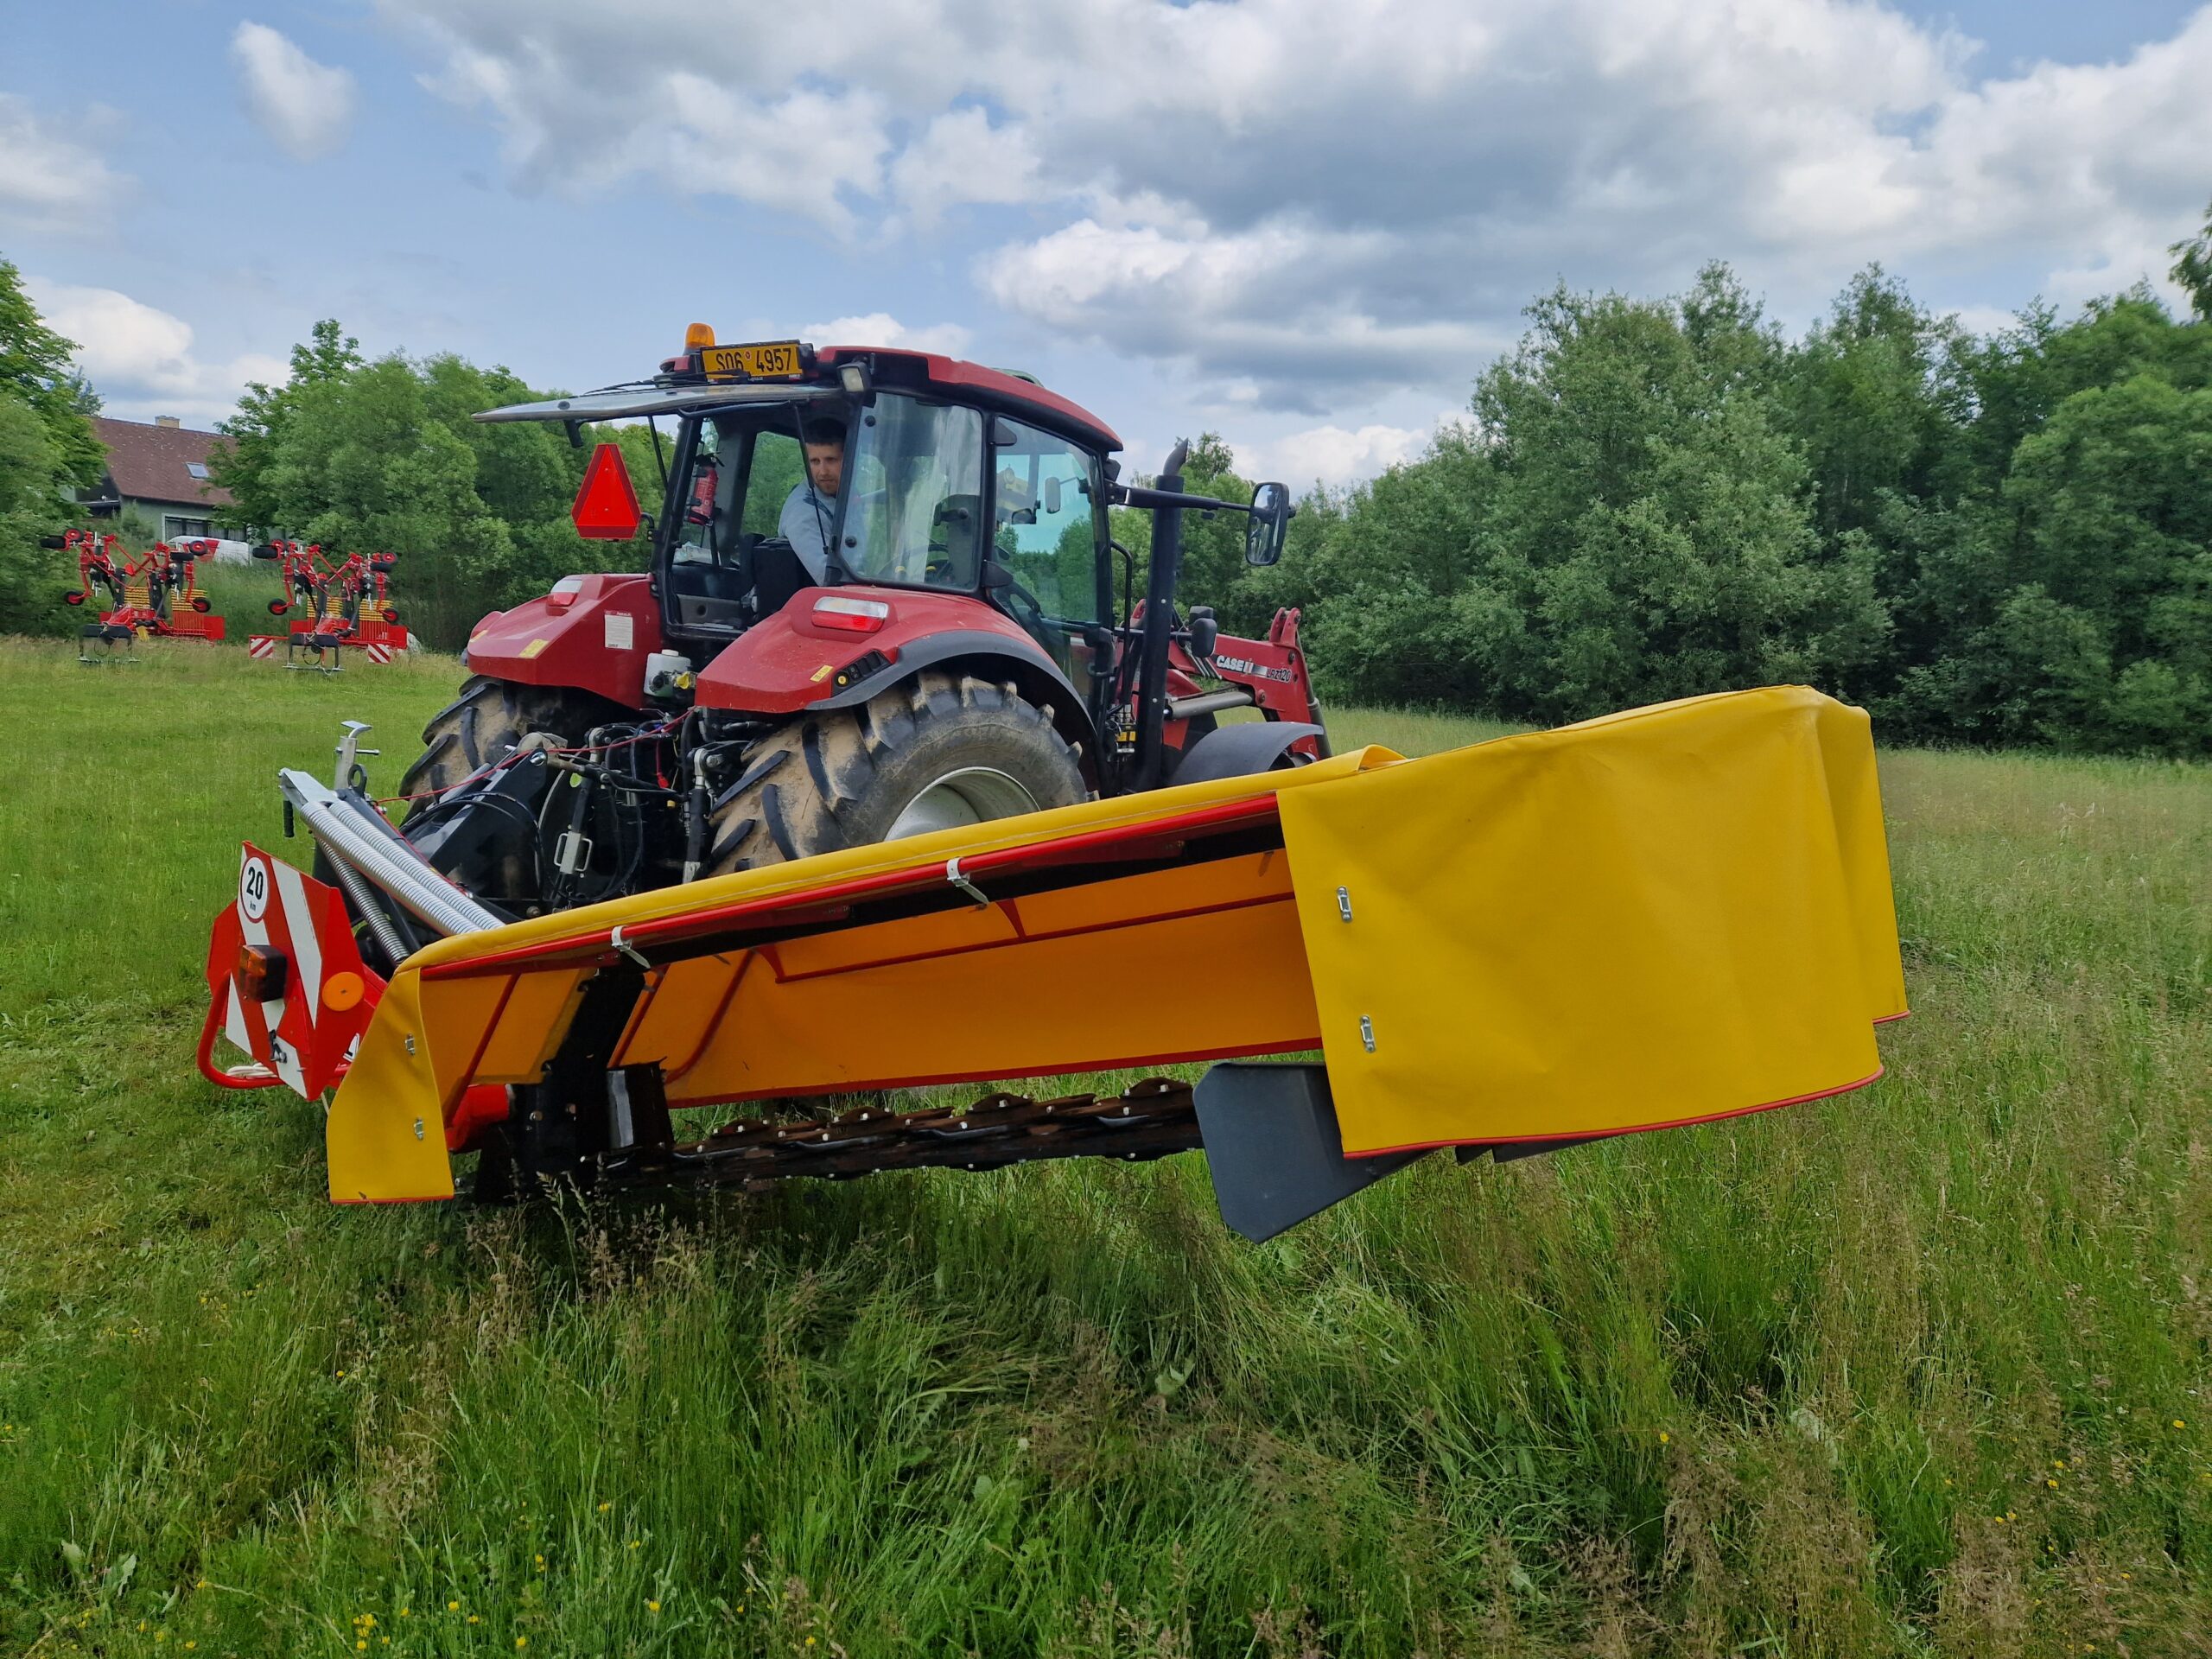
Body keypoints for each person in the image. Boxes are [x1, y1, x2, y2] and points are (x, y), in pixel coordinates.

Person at [778, 419, 847, 580]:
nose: (823, 472)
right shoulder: (804, 514)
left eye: (831, 460)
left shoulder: (839, 496)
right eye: (815, 461)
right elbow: (831, 579)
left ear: (849, 459)